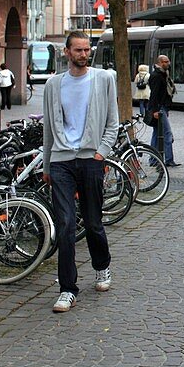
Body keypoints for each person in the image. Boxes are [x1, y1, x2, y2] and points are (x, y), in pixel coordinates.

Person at [42, 32, 119, 313]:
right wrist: (47, 163)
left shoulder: (103, 79)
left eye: (87, 49)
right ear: (67, 52)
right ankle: (67, 288)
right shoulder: (53, 85)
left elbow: (113, 122)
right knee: (64, 225)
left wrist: (101, 153)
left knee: (93, 221)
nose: (84, 54)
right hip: (61, 162)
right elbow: (48, 128)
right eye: (78, 50)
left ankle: (102, 266)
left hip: (90, 160)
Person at [148, 54, 179, 167]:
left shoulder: (163, 74)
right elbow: (154, 95)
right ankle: (168, 160)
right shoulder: (157, 76)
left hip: (162, 108)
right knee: (167, 133)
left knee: (156, 134)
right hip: (159, 108)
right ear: (160, 62)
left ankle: (153, 159)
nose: (167, 64)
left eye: (168, 61)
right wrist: (155, 110)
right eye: (165, 62)